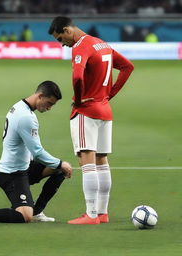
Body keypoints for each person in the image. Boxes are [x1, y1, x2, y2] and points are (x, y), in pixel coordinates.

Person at [48, 17, 134, 225]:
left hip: (86, 110)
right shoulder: (101, 43)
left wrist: (78, 101)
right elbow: (127, 67)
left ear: (68, 30)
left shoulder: (81, 47)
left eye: (61, 38)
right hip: (105, 110)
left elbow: (77, 78)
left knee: (86, 160)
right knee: (101, 161)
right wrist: (109, 94)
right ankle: (102, 213)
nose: (63, 44)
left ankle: (91, 214)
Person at [0, 80, 73, 224]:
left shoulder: (21, 106)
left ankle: (36, 211)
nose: (49, 108)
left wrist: (59, 165)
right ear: (40, 96)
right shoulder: (26, 117)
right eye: (49, 103)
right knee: (24, 216)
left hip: (24, 167)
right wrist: (61, 163)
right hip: (11, 174)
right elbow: (37, 152)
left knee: (59, 169)